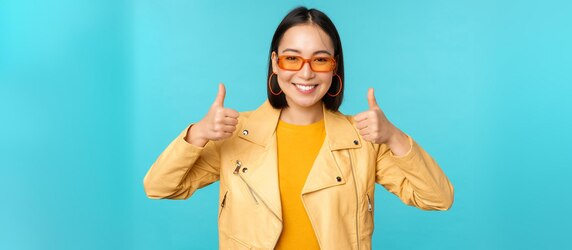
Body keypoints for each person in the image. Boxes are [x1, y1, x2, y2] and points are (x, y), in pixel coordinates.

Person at [143, 6, 454, 250]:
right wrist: (197, 134)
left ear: (334, 67)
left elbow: (438, 198)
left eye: (320, 60)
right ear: (276, 63)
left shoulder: (362, 141)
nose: (306, 73)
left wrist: (394, 137)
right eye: (293, 59)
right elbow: (159, 187)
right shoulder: (236, 133)